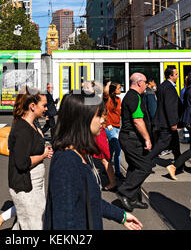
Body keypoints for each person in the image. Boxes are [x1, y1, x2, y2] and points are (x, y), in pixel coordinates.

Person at [43, 93, 143, 230]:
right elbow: (64, 221)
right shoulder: (66, 162)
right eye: (98, 115)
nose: (103, 120)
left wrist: (121, 216)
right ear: (82, 119)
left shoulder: (80, 154)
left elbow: (90, 200)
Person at [8, 87, 53, 230]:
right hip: (26, 185)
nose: (46, 108)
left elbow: (34, 146)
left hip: (34, 185)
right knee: (35, 225)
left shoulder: (32, 124)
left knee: (25, 224)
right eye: (44, 105)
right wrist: (43, 155)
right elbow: (22, 163)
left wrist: (44, 148)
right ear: (32, 106)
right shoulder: (22, 129)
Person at [115, 73, 153, 212]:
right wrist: (147, 138)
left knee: (133, 167)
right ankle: (124, 192)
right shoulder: (134, 97)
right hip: (132, 139)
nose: (146, 85)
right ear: (139, 83)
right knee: (145, 167)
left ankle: (134, 199)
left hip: (129, 138)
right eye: (145, 82)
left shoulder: (132, 96)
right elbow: (137, 121)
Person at [149, 66, 182, 162]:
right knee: (162, 143)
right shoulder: (169, 87)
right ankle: (146, 161)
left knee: (175, 144)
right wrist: (173, 123)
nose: (177, 76)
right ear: (170, 76)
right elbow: (169, 106)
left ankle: (179, 164)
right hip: (167, 123)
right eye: (176, 74)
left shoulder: (163, 85)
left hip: (165, 120)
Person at [103, 81, 125, 181]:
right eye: (119, 88)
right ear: (113, 90)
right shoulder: (107, 99)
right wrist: (108, 84)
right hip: (109, 127)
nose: (120, 90)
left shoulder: (119, 99)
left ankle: (107, 167)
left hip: (117, 127)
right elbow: (105, 93)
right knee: (118, 148)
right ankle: (117, 172)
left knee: (112, 149)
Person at [93, 113, 117, 192]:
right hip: (93, 133)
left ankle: (113, 182)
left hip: (98, 134)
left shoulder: (96, 106)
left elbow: (105, 120)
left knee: (105, 159)